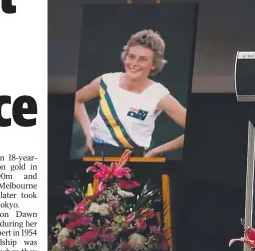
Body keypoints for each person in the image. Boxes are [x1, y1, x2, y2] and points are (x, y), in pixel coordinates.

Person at [73, 29, 187, 158]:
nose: (134, 63)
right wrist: (88, 133)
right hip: (95, 154)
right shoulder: (106, 81)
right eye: (131, 57)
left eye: (142, 59)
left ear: (154, 64)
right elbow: (77, 99)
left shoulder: (158, 94)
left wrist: (158, 150)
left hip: (132, 162)